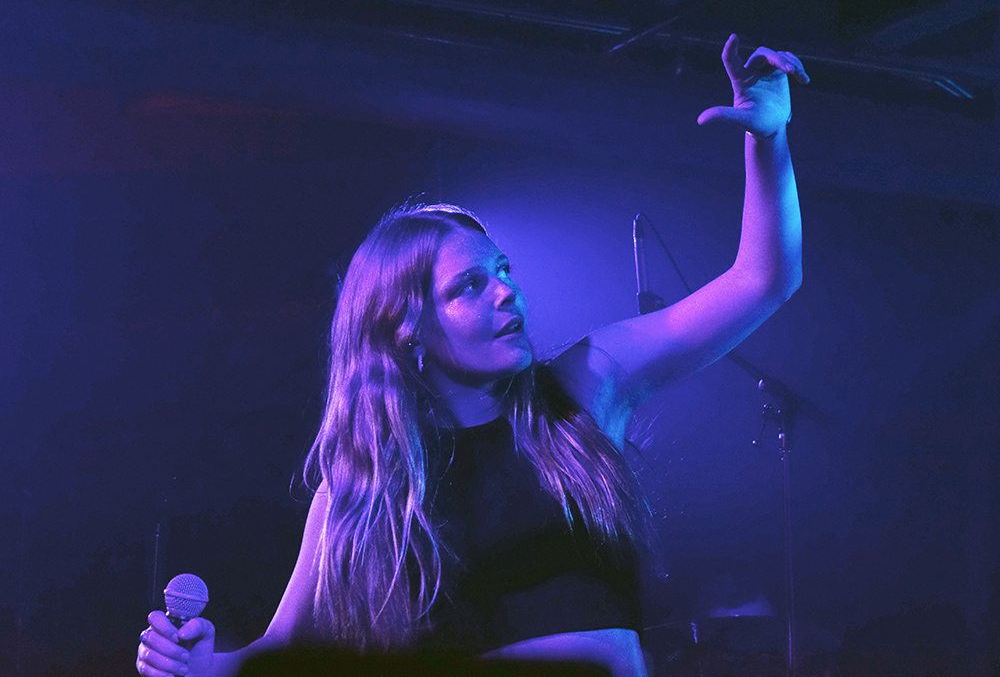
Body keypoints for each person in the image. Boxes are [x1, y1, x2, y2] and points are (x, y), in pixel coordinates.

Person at [135, 34, 808, 677]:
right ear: (406, 328)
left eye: (505, 270)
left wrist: (768, 137)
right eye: (470, 285)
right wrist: (203, 663)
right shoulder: (363, 485)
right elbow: (277, 650)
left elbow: (762, 280)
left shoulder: (580, 387)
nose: (507, 291)